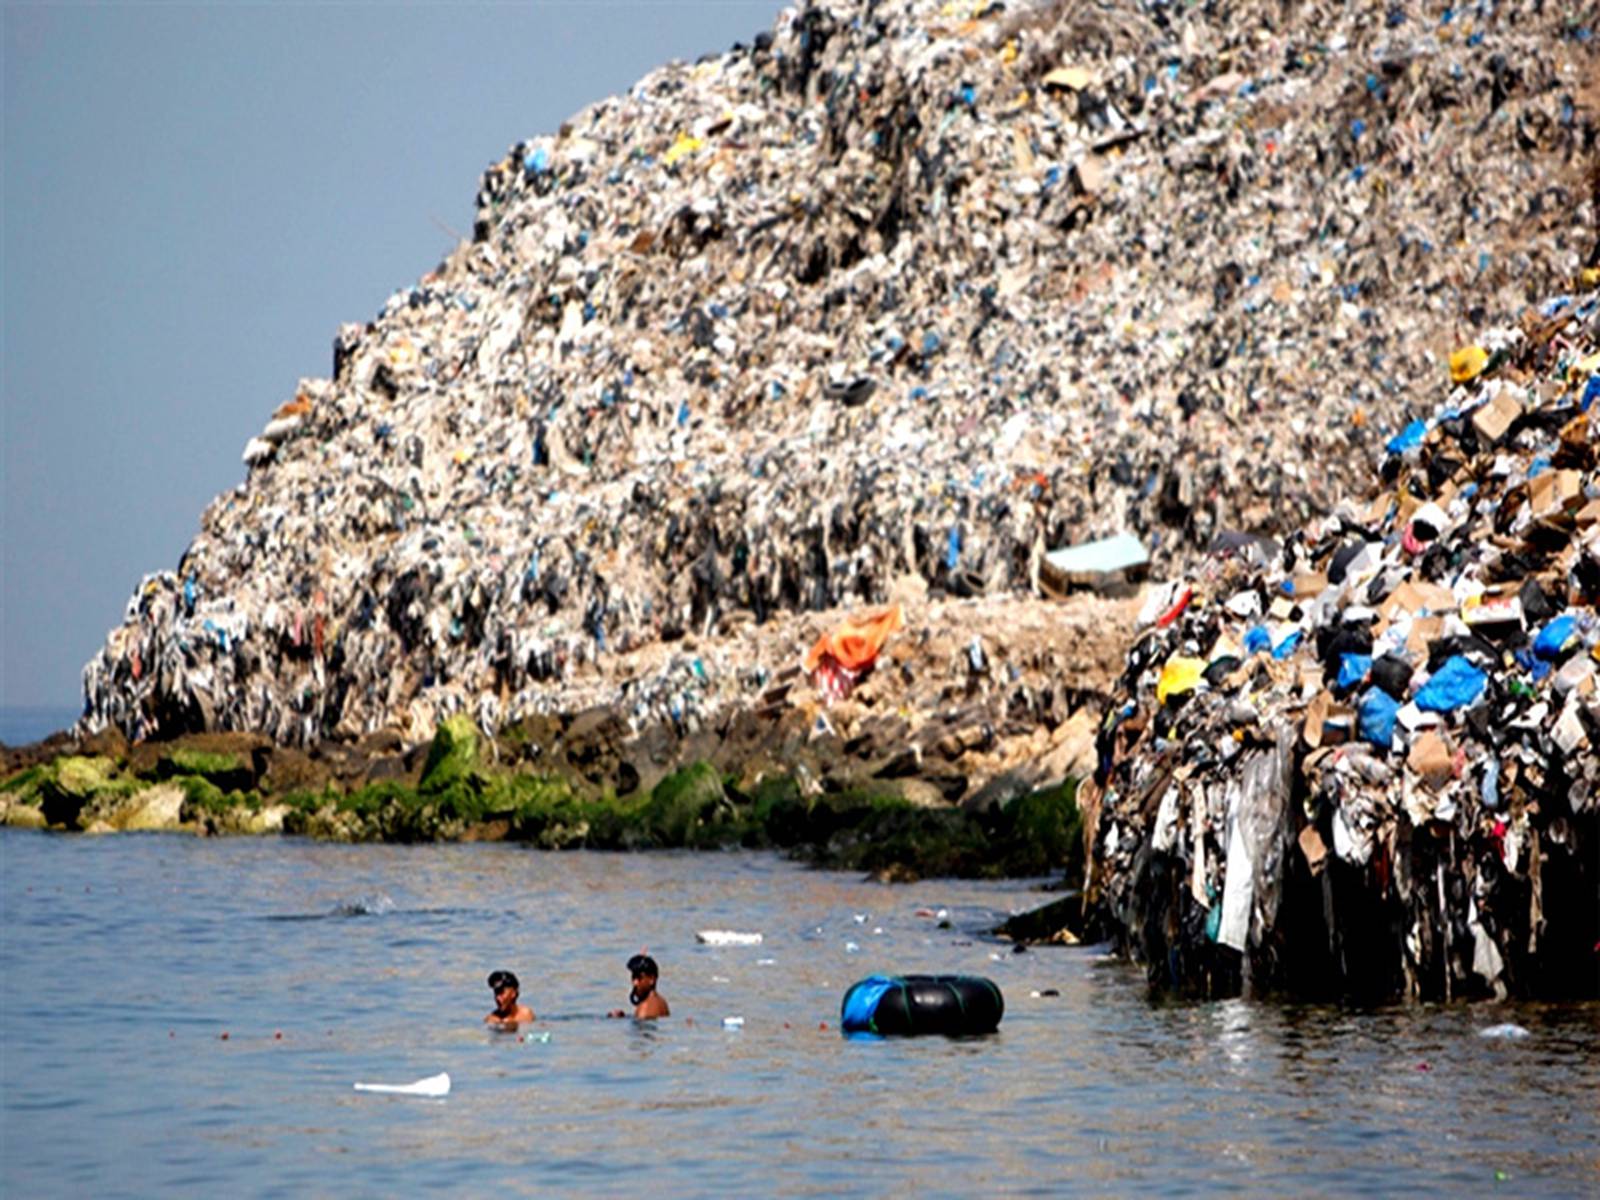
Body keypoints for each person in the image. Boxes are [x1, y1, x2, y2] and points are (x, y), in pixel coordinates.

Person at [609, 953, 669, 1019]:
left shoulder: (645, 1008)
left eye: (639, 977)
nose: (635, 983)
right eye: (633, 977)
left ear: (651, 979)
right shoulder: (661, 1001)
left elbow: (642, 1025)